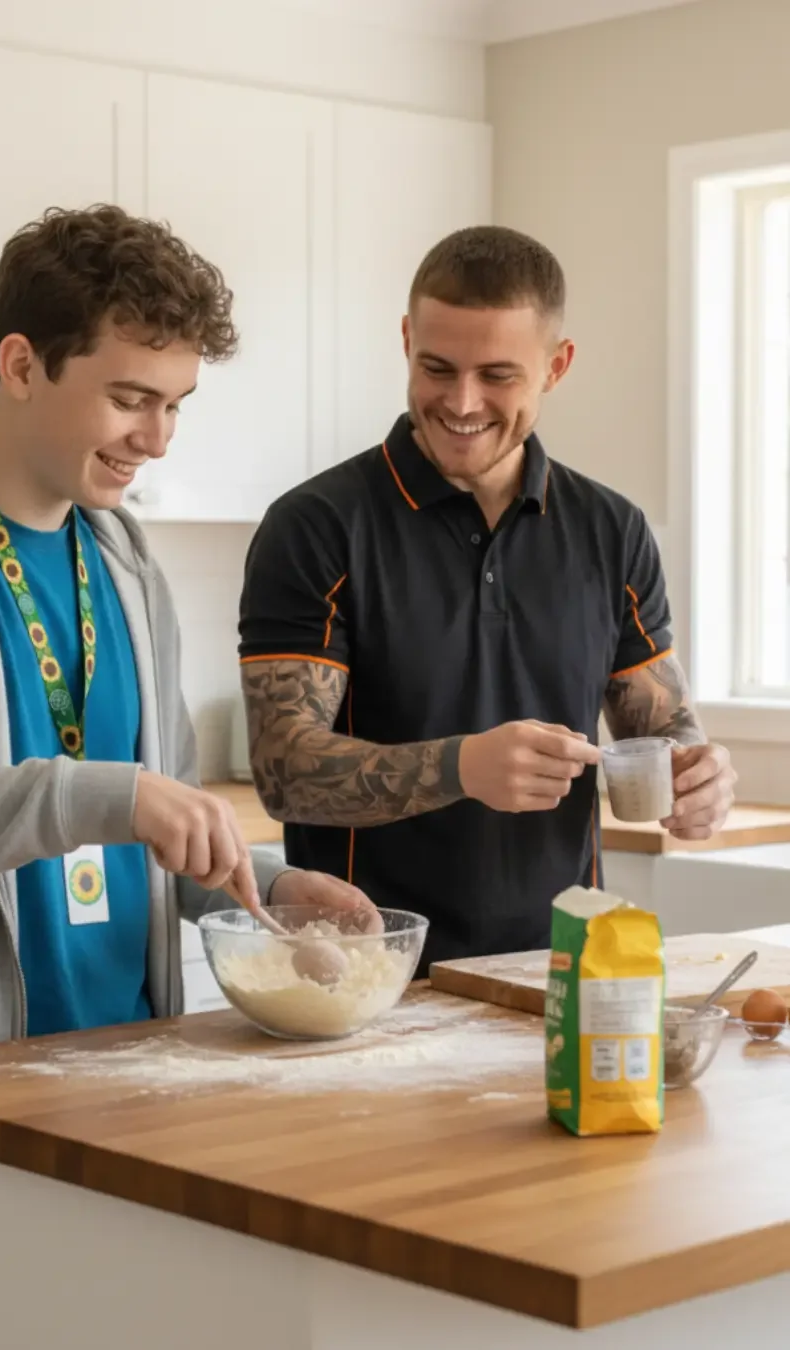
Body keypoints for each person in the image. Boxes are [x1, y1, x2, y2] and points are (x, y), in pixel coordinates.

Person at [0, 204, 377, 1350]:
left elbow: (152, 824)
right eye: (130, 396)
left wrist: (254, 886)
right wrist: (115, 792)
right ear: (20, 364)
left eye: (175, 405)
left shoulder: (124, 559)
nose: (157, 438)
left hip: (123, 1089)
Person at [237, 224, 736, 975]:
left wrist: (701, 784)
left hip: (562, 971)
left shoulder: (613, 530)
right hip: (361, 973)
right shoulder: (316, 526)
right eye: (437, 367)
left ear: (557, 365)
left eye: (498, 375)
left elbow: (662, 735)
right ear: (406, 340)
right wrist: (462, 768)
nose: (461, 402)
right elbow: (283, 772)